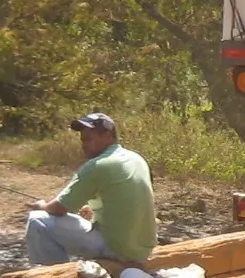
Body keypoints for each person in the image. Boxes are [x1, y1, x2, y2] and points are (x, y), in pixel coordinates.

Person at [24, 112, 158, 267]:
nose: (84, 145)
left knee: (37, 220)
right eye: (82, 140)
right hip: (142, 250)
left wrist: (42, 205)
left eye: (88, 139)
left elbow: (59, 208)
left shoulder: (98, 165)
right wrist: (93, 211)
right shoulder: (136, 158)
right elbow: (125, 199)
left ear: (107, 135)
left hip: (117, 250)